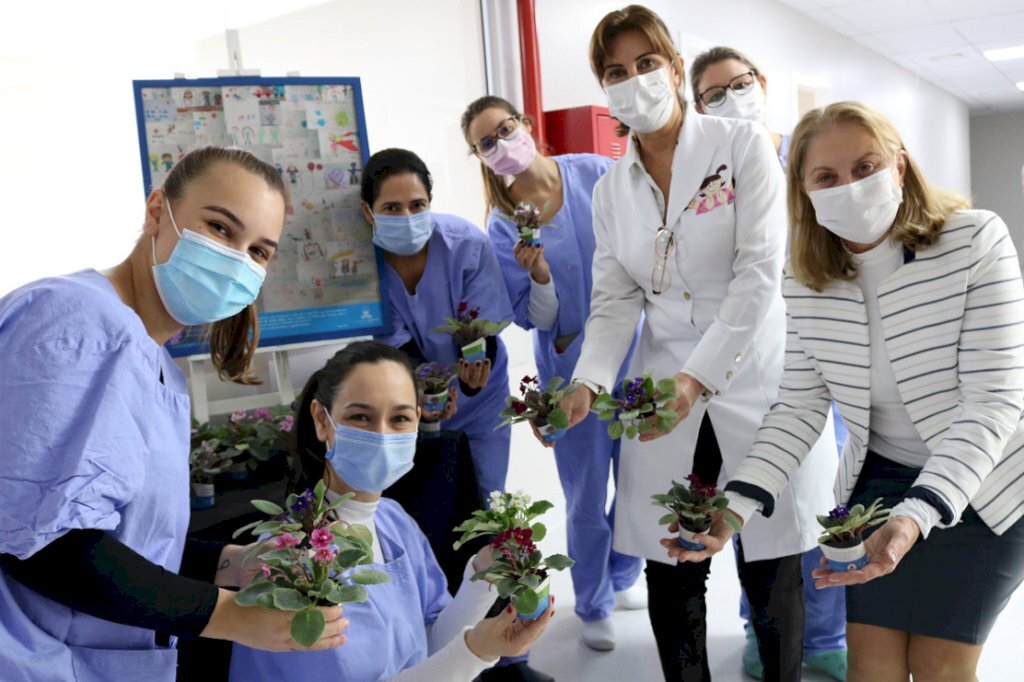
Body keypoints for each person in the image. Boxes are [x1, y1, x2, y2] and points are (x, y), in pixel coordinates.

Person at [558, 6, 838, 681]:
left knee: (770, 569)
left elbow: (758, 275)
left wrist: (696, 378)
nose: (635, 81)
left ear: (676, 69)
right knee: (671, 570)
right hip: (661, 385)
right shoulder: (609, 189)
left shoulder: (740, 149)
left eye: (647, 63)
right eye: (616, 72)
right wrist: (589, 379)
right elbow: (616, 297)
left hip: (755, 376)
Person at [704, 100, 1024, 682]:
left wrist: (917, 515)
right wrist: (737, 506)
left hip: (985, 483)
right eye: (826, 177)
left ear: (899, 166)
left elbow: (993, 402)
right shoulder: (803, 277)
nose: (849, 187)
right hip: (881, 478)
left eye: (866, 166)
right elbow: (800, 405)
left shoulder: (975, 240)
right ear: (803, 192)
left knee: (939, 668)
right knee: (870, 668)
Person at [0, 147, 348, 682]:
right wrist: (228, 616)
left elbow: (134, 542)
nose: (237, 259)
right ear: (158, 209)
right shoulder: (76, 320)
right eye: (219, 228)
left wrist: (235, 563)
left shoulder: (159, 367)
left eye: (258, 251)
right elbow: (46, 542)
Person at [230, 341, 553, 681]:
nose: (382, 435)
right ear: (321, 421)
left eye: (399, 418)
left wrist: (483, 575)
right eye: (360, 417)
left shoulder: (393, 521)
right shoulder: (291, 562)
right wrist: (477, 651)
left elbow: (430, 645)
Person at [461, 95, 646, 653]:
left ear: (527, 125)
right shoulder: (501, 225)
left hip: (635, 353)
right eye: (485, 144)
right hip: (568, 367)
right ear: (480, 157)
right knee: (586, 490)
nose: (500, 146)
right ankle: (592, 601)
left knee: (639, 475)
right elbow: (535, 318)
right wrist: (538, 272)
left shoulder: (593, 172)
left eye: (504, 130)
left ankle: (622, 574)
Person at [690, 46, 848, 681]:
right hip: (742, 361)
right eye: (713, 94)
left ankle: (828, 635)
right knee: (748, 506)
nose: (731, 99)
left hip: (817, 350)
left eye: (740, 84)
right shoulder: (708, 176)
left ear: (764, 83)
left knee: (821, 501)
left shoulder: (805, 160)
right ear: (698, 107)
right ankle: (760, 628)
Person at [365, 148, 513, 499]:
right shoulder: (363, 266)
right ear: (368, 212)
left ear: (430, 201)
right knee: (428, 504)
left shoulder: (465, 244)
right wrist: (431, 389)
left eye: (417, 205)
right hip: (414, 396)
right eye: (391, 208)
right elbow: (399, 348)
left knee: (488, 499)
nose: (407, 216)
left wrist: (473, 378)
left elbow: (480, 327)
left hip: (482, 398)